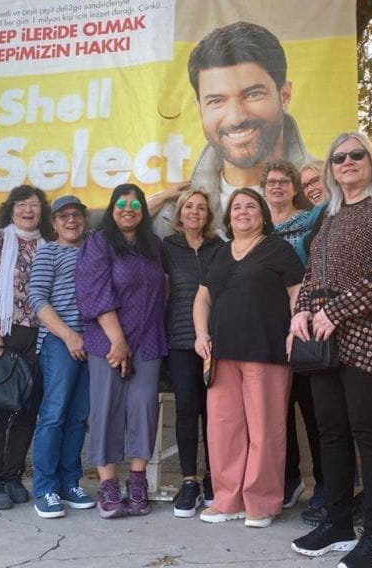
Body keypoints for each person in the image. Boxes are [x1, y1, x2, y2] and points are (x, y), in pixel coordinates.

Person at [289, 132, 372, 568]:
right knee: (331, 434)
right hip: (322, 339)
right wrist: (300, 312)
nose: (348, 162)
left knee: (369, 435)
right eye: (339, 158)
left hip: (367, 335)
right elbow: (311, 273)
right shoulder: (328, 217)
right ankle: (338, 524)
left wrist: (336, 311)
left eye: (357, 154)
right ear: (331, 169)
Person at [193, 187, 303, 528]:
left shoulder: (278, 249)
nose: (243, 211)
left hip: (266, 351)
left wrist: (293, 332)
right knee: (224, 429)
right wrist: (201, 335)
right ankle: (227, 499)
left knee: (265, 428)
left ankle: (262, 502)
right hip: (221, 354)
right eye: (237, 207)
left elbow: (297, 293)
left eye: (250, 206)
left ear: (262, 215)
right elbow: (203, 298)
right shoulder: (220, 254)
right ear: (229, 218)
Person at [151, 21, 312, 235]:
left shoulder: (324, 198)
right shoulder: (173, 218)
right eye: (216, 100)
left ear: (285, 95)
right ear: (199, 108)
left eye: (253, 94)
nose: (236, 118)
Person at [75, 184, 167, 519]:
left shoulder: (153, 245)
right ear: (112, 207)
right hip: (107, 341)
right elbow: (94, 292)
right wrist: (118, 341)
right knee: (106, 407)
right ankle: (109, 484)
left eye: (135, 204)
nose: (128, 209)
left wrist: (171, 194)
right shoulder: (98, 242)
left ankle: (138, 481)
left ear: (143, 210)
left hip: (149, 339)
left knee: (143, 406)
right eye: (121, 203)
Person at [0, 185, 52, 510]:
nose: (28, 210)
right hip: (2, 332)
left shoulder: (48, 245)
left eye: (34, 205)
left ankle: (11, 475)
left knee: (27, 408)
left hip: (38, 334)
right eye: (21, 204)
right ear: (11, 208)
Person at [259, 160, 322, 511]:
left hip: (306, 326)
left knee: (313, 409)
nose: (277, 187)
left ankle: (326, 485)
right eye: (271, 181)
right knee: (278, 411)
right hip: (268, 330)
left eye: (284, 181)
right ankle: (289, 478)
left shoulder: (312, 222)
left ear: (295, 188)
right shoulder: (259, 228)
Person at [27, 195, 95, 518]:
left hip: (93, 344)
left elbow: (132, 212)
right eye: (64, 216)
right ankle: (45, 488)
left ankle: (70, 483)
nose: (71, 221)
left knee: (79, 416)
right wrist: (68, 335)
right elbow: (37, 299)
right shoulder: (49, 252)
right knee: (54, 414)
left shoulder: (94, 249)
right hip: (59, 343)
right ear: (53, 223)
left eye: (76, 215)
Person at [161, 188, 224, 517]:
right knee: (187, 408)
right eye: (188, 207)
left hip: (217, 342)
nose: (195, 212)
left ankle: (215, 477)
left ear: (208, 215)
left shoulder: (220, 248)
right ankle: (189, 482)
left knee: (215, 410)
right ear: (180, 214)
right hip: (181, 341)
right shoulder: (167, 247)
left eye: (201, 207)